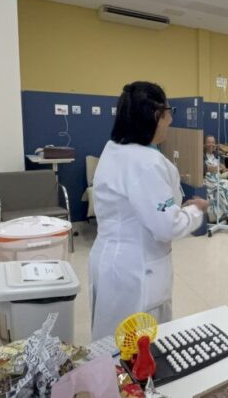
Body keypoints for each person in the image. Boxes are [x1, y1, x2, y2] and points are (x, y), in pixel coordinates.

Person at [89, 82, 208, 340]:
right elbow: (167, 226)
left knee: (110, 340)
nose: (171, 118)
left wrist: (173, 210)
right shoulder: (145, 162)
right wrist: (195, 212)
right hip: (137, 269)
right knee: (136, 348)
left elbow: (150, 205)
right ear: (156, 115)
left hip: (111, 259)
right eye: (168, 111)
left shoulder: (114, 150)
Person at [204, 135, 228, 223]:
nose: (211, 144)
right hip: (208, 179)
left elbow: (223, 169)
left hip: (217, 178)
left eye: (213, 142)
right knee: (221, 188)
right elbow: (200, 168)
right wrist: (207, 169)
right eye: (209, 142)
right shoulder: (202, 157)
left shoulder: (217, 156)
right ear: (205, 144)